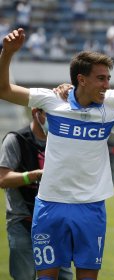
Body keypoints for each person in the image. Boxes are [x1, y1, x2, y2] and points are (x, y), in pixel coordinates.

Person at [0, 28, 114, 280]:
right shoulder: (52, 100)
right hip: (50, 204)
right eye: (101, 79)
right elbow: (4, 90)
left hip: (90, 207)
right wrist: (7, 53)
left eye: (108, 78)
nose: (107, 85)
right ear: (82, 80)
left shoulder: (112, 102)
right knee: (46, 276)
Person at [0, 108, 72, 280]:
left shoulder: (63, 141)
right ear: (35, 113)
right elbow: (3, 178)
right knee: (25, 276)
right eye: (48, 114)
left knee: (64, 277)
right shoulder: (16, 139)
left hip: (55, 223)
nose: (53, 118)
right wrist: (35, 175)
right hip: (23, 221)